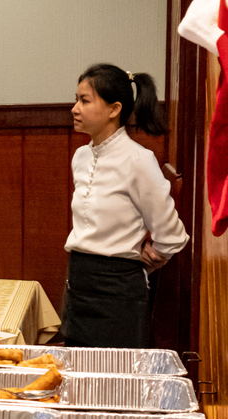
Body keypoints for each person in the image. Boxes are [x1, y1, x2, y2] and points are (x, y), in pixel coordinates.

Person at [62, 63, 189, 348]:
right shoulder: (81, 156)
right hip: (79, 282)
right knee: (78, 380)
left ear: (114, 109)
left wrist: (154, 255)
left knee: (117, 384)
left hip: (118, 292)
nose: (75, 108)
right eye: (76, 99)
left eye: (84, 100)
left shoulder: (138, 160)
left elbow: (171, 234)